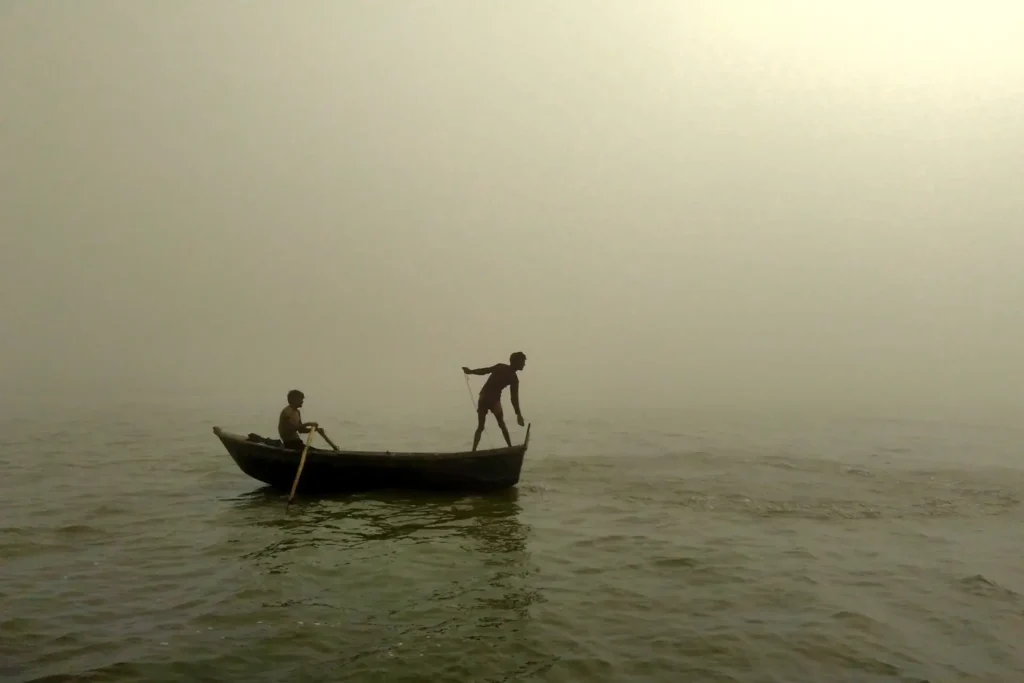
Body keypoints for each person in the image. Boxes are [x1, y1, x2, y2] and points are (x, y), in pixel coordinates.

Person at [462, 351, 526, 451]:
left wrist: (471, 371)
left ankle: (473, 450)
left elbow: (485, 371)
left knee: (481, 427)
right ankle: (510, 448)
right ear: (516, 362)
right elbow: (514, 399)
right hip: (492, 399)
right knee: (501, 425)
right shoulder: (511, 376)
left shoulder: (505, 371)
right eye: (522, 362)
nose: (524, 364)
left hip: (485, 397)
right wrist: (518, 414)